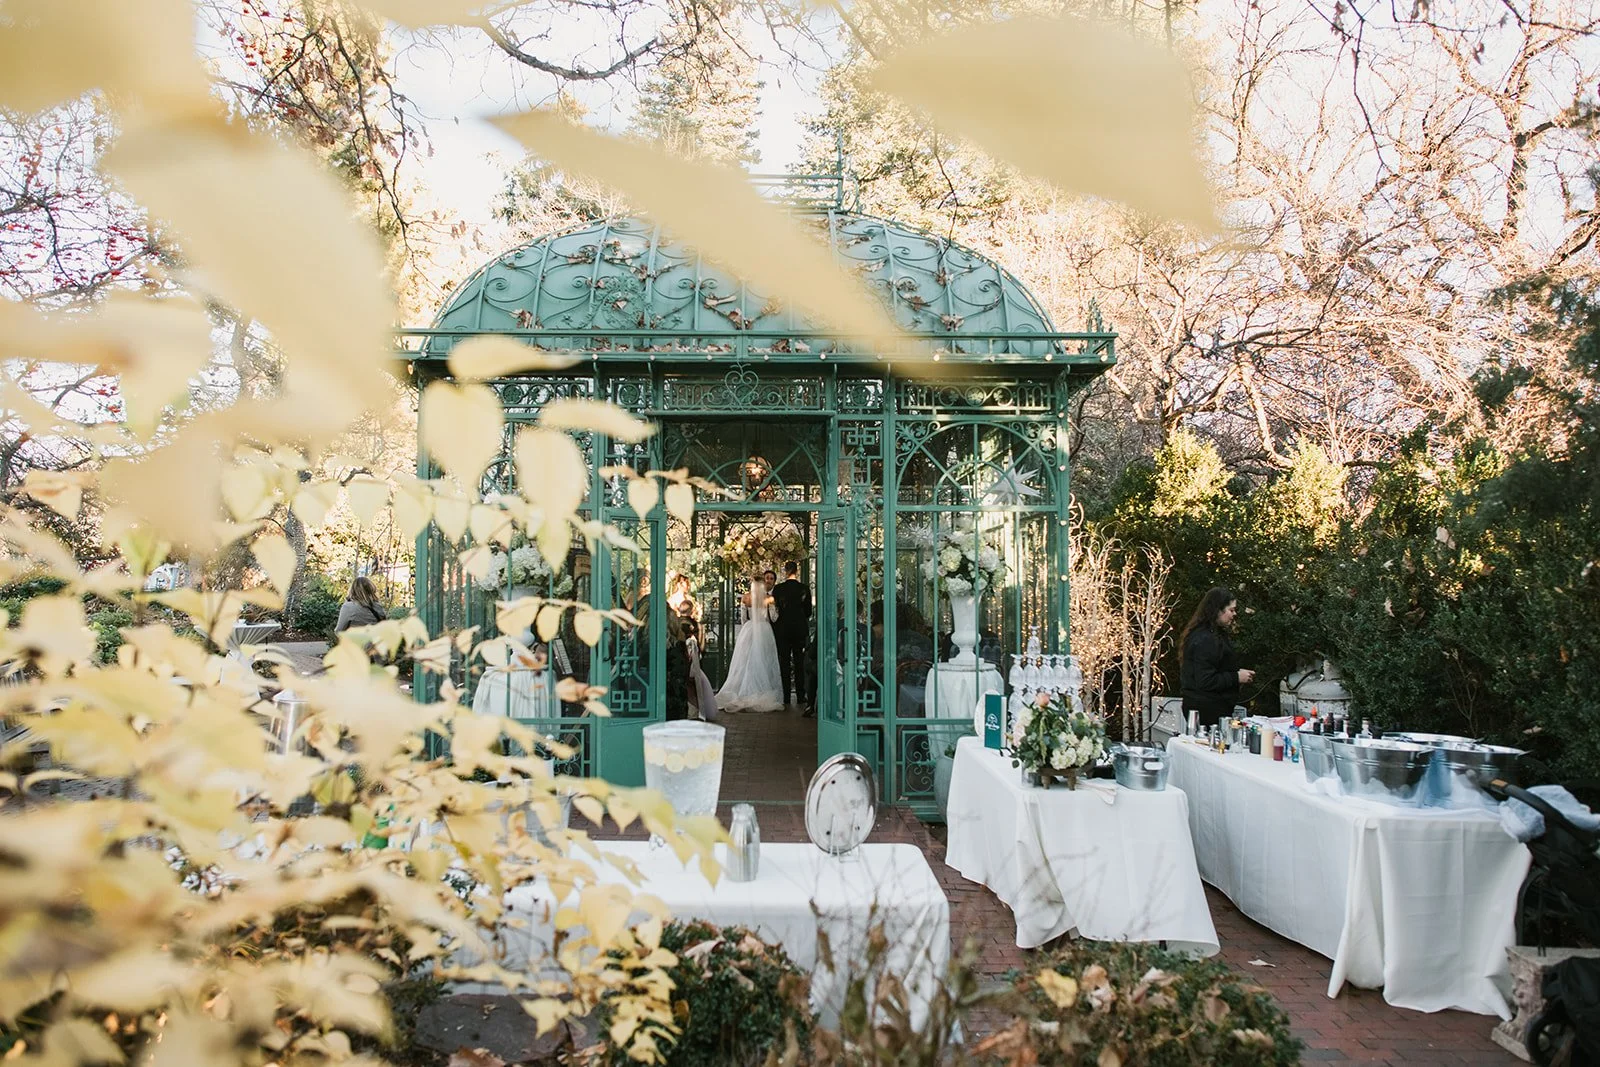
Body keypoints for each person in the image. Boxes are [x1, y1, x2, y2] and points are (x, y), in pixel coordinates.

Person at [1179, 587, 1256, 728]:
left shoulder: (1209, 634)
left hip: (1207, 707)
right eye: (1231, 610)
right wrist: (1236, 677)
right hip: (1207, 710)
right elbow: (1205, 680)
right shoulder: (1205, 639)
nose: (1234, 614)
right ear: (1218, 610)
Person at [716, 574, 784, 713]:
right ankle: (762, 688)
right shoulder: (768, 598)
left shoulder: (745, 598)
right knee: (764, 660)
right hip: (764, 630)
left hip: (749, 629)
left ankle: (741, 688)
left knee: (744, 660)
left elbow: (743, 619)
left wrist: (748, 628)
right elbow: (774, 618)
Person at [770, 560, 812, 713]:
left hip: (783, 629)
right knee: (799, 662)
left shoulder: (779, 589)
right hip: (799, 629)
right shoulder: (804, 589)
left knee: (785, 662)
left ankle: (786, 695)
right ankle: (801, 695)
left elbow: (776, 610)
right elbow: (808, 612)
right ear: (797, 571)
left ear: (785, 571)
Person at [682, 617, 719, 721]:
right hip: (693, 670)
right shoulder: (691, 642)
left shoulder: (688, 643)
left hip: (690, 670)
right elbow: (700, 653)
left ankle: (693, 711)